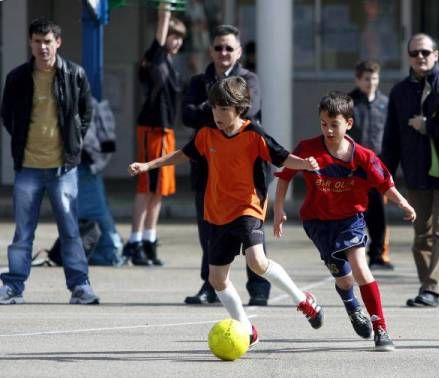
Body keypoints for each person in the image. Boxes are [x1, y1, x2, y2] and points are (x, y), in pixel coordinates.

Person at [128, 76, 324, 347]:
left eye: (223, 110)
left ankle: (302, 299)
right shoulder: (207, 132)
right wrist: (149, 165)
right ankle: (247, 328)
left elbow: (281, 156)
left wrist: (305, 164)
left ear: (239, 108)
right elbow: (183, 154)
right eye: (214, 109)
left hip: (248, 206)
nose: (217, 115)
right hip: (217, 211)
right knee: (217, 279)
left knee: (257, 261)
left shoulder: (254, 134)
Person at [273, 92, 416, 351]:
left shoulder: (363, 156)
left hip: (351, 219)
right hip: (318, 222)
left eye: (334, 124)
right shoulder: (307, 149)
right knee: (344, 279)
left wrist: (403, 203)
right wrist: (279, 208)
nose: (328, 130)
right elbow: (284, 177)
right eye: (323, 124)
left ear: (348, 123)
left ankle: (380, 328)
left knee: (360, 268)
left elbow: (385, 184)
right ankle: (352, 305)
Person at [0, 18, 99, 304]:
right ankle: (14, 287)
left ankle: (80, 286)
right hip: (28, 166)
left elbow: (86, 113)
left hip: (63, 167)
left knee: (70, 231)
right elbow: (8, 116)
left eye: (48, 41)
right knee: (22, 233)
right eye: (37, 41)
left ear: (58, 42)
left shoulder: (74, 74)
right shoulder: (17, 77)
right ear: (30, 43)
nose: (42, 47)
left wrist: (73, 143)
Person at [381, 33, 439, 308]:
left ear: (436, 54)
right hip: (416, 173)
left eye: (425, 52)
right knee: (420, 234)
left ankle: (432, 289)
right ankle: (426, 286)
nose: (420, 57)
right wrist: (384, 177)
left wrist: (428, 126)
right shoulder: (399, 92)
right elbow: (392, 138)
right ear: (408, 57)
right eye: (414, 53)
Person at [181, 24, 270, 306]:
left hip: (246, 174)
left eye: (229, 48)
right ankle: (212, 286)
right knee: (209, 230)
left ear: (239, 51)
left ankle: (259, 288)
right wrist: (221, 109)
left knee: (251, 232)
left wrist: (209, 110)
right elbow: (187, 115)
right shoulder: (198, 81)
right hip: (209, 172)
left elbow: (248, 112)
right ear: (211, 50)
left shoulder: (249, 79)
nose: (223, 53)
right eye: (218, 47)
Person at [122, 3, 186, 266]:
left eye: (181, 37)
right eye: (174, 35)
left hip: (165, 130)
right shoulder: (155, 55)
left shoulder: (171, 63)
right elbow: (160, 37)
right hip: (152, 129)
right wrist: (165, 12)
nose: (177, 41)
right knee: (146, 188)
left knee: (159, 190)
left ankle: (149, 240)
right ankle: (134, 242)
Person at [348, 60, 392, 270]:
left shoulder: (385, 103)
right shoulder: (349, 102)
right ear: (358, 80)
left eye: (374, 78)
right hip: (354, 166)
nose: (371, 83)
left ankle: (377, 255)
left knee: (378, 212)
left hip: (376, 166)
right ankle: (350, 252)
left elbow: (391, 134)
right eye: (366, 79)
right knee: (354, 212)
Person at [78, 98, 123, 266]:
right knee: (93, 210)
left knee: (93, 210)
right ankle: (108, 250)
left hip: (85, 160)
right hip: (87, 159)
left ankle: (110, 250)